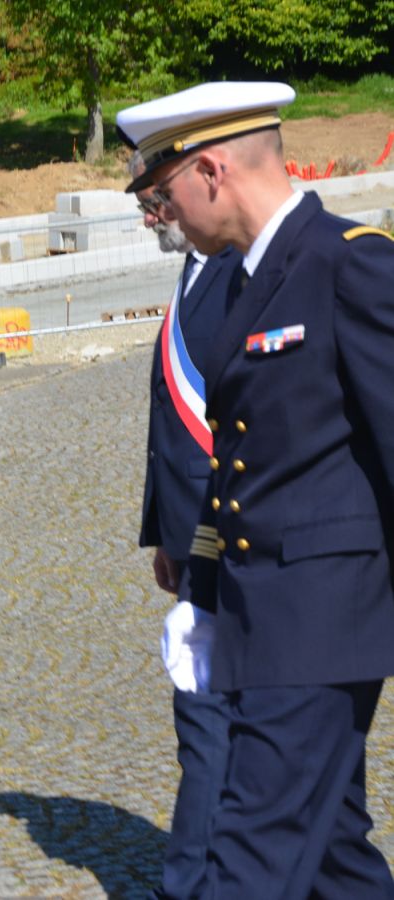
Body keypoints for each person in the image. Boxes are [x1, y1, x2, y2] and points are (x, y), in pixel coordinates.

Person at [120, 81, 394, 894]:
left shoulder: (348, 261)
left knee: (246, 862)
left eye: (164, 191)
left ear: (211, 171)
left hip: (321, 623)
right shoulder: (248, 276)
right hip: (262, 619)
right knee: (335, 859)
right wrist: (205, 592)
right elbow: (242, 460)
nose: (163, 214)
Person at [130, 149, 240, 900]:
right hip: (193, 537)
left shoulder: (233, 274)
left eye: (154, 202)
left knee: (206, 722)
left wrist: (194, 541)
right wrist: (163, 536)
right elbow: (168, 421)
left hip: (226, 540)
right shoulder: (198, 270)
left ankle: (192, 884)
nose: (148, 220)